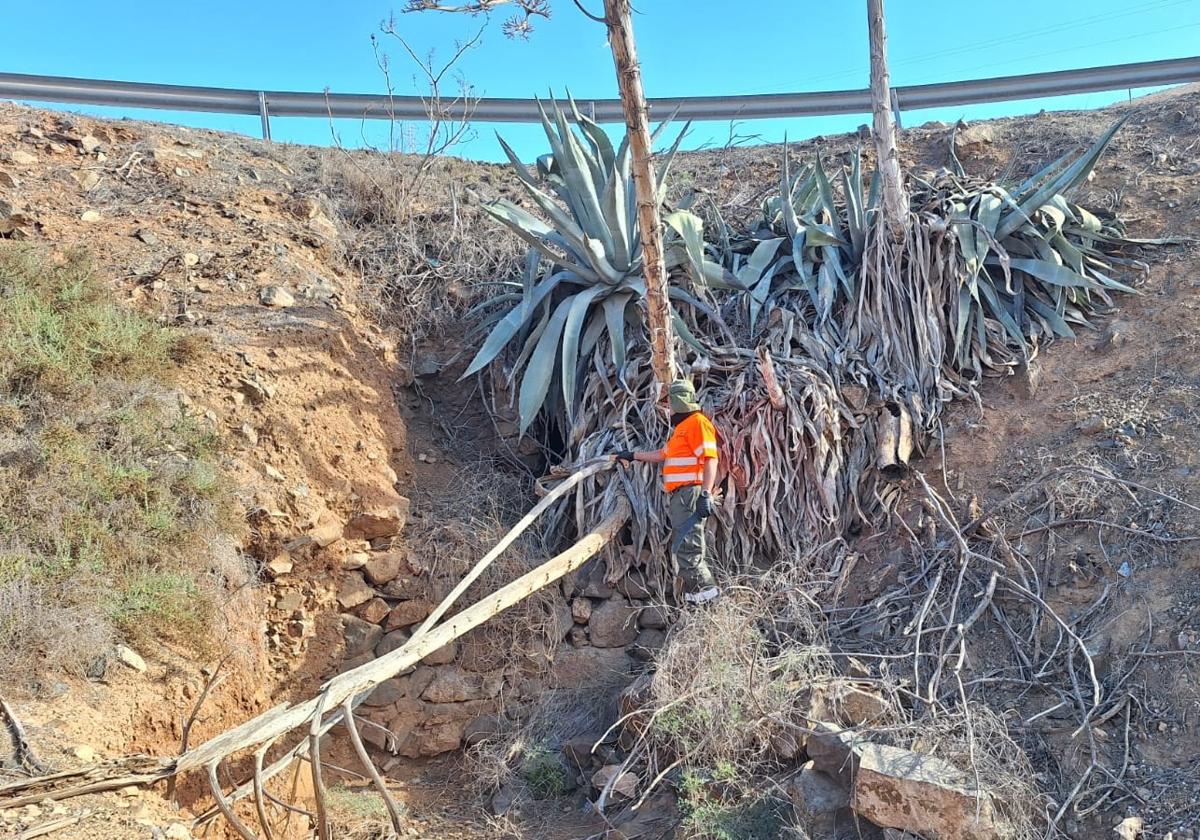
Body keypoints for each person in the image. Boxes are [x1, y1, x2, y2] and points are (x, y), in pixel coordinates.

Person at [614, 379, 720, 604]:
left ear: (679, 402)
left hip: (690, 495)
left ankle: (709, 602)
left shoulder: (697, 423)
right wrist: (632, 455)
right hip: (680, 497)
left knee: (689, 548)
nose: (668, 409)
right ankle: (696, 599)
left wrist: (705, 494)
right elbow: (663, 455)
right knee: (684, 546)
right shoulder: (682, 429)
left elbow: (711, 458)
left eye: (670, 403)